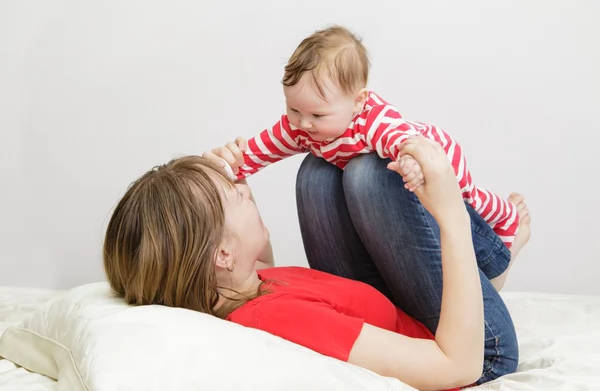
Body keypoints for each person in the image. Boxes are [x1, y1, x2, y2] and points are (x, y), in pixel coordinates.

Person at [103, 136, 531, 390]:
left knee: (318, 173)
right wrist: (449, 212)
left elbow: (261, 263)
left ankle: (490, 271)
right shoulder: (282, 320)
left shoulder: (241, 287)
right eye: (237, 195)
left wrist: (237, 183)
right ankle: (498, 257)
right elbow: (456, 365)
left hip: (391, 318)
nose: (245, 190)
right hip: (474, 358)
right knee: (373, 177)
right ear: (222, 255)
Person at [211, 24, 521, 254]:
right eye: (293, 109)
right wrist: (225, 166)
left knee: (468, 199)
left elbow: (402, 139)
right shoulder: (301, 124)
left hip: (435, 155)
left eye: (318, 116)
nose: (304, 123)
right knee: (315, 170)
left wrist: (411, 161)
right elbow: (259, 151)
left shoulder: (372, 118)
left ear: (357, 102)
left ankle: (506, 217)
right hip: (394, 178)